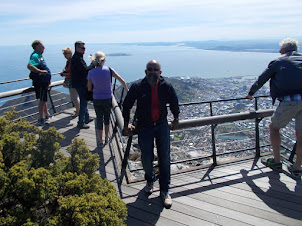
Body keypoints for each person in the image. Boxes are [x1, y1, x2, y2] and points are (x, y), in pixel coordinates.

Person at [122, 60, 180, 208]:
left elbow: (174, 102)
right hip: (144, 127)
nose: (152, 71)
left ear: (160, 72)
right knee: (146, 159)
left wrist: (176, 118)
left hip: (161, 125)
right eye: (150, 69)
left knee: (165, 158)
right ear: (145, 71)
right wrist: (126, 123)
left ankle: (165, 191)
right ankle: (150, 179)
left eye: (155, 69)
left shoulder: (166, 86)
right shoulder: (138, 86)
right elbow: (126, 105)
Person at [246, 38, 302, 179]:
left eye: (280, 49)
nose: (279, 51)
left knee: (274, 128)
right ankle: (297, 168)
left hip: (289, 101)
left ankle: (277, 161)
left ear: (284, 50)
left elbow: (262, 79)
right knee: (301, 136)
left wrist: (251, 93)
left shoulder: (279, 61)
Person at [87, 51, 129, 147]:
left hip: (97, 99)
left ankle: (100, 141)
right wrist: (126, 89)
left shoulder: (91, 73)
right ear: (102, 60)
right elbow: (121, 80)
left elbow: (89, 88)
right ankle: (106, 138)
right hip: (107, 98)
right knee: (107, 119)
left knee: (99, 119)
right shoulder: (109, 70)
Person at [70, 41, 95, 129]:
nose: (84, 50)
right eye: (82, 48)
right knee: (83, 102)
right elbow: (86, 70)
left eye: (84, 48)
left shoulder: (77, 58)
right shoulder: (77, 59)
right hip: (80, 84)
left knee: (84, 101)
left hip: (78, 83)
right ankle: (80, 122)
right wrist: (93, 63)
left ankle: (86, 118)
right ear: (77, 48)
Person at [27, 40, 52, 126]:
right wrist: (40, 71)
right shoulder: (35, 55)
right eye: (42, 46)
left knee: (43, 99)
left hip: (44, 81)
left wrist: (48, 78)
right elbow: (29, 66)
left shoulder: (39, 55)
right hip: (40, 82)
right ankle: (41, 119)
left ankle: (47, 114)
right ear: (37, 47)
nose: (44, 48)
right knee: (42, 100)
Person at [61, 47, 80, 118]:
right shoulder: (69, 61)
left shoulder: (72, 61)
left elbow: (73, 73)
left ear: (70, 53)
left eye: (66, 53)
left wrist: (64, 74)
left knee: (74, 97)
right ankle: (78, 110)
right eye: (64, 53)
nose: (64, 55)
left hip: (73, 81)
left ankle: (78, 111)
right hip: (72, 81)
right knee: (74, 97)